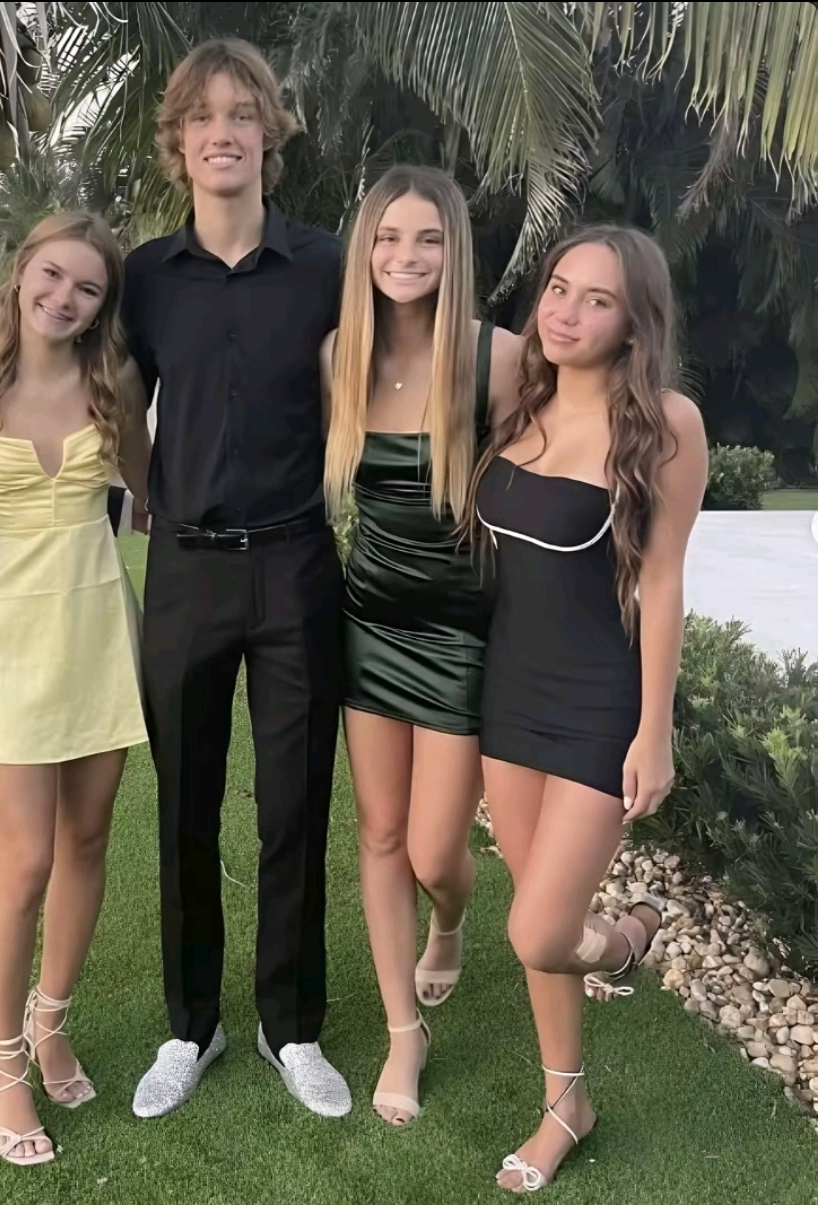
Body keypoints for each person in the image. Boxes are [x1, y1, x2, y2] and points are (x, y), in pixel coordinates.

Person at [0, 38, 350, 1119]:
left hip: (297, 562)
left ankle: (291, 1025)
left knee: (295, 804)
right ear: (177, 142)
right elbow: (64, 360)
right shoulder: (148, 278)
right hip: (185, 571)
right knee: (184, 808)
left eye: (241, 114)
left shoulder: (325, 265)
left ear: (268, 133)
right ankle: (192, 1024)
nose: (222, 132)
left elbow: (406, 354)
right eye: (201, 117)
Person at [468, 226, 707, 1192]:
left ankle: (627, 939)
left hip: (598, 702)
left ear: (634, 321)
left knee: (539, 930)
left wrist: (655, 728)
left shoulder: (666, 424)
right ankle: (567, 1101)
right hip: (508, 696)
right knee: (537, 907)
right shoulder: (516, 397)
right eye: (558, 288)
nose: (565, 312)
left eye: (596, 299)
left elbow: (664, 581)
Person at [0, 212, 150, 1166]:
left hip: (99, 627)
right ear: (21, 274)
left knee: (87, 840)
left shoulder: (119, 385)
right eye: (53, 276)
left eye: (88, 287)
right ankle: (4, 1060)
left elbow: (153, 497)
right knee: (24, 863)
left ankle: (52, 1019)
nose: (66, 298)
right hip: (12, 637)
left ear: (103, 305)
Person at [322, 165, 521, 1126]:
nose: (406, 256)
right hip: (369, 619)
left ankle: (450, 917)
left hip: (462, 631)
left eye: (428, 239)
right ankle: (405, 1030)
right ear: (365, 247)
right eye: (389, 237)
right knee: (380, 833)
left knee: (438, 850)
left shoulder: (497, 358)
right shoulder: (339, 355)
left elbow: (552, 472)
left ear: (455, 252)